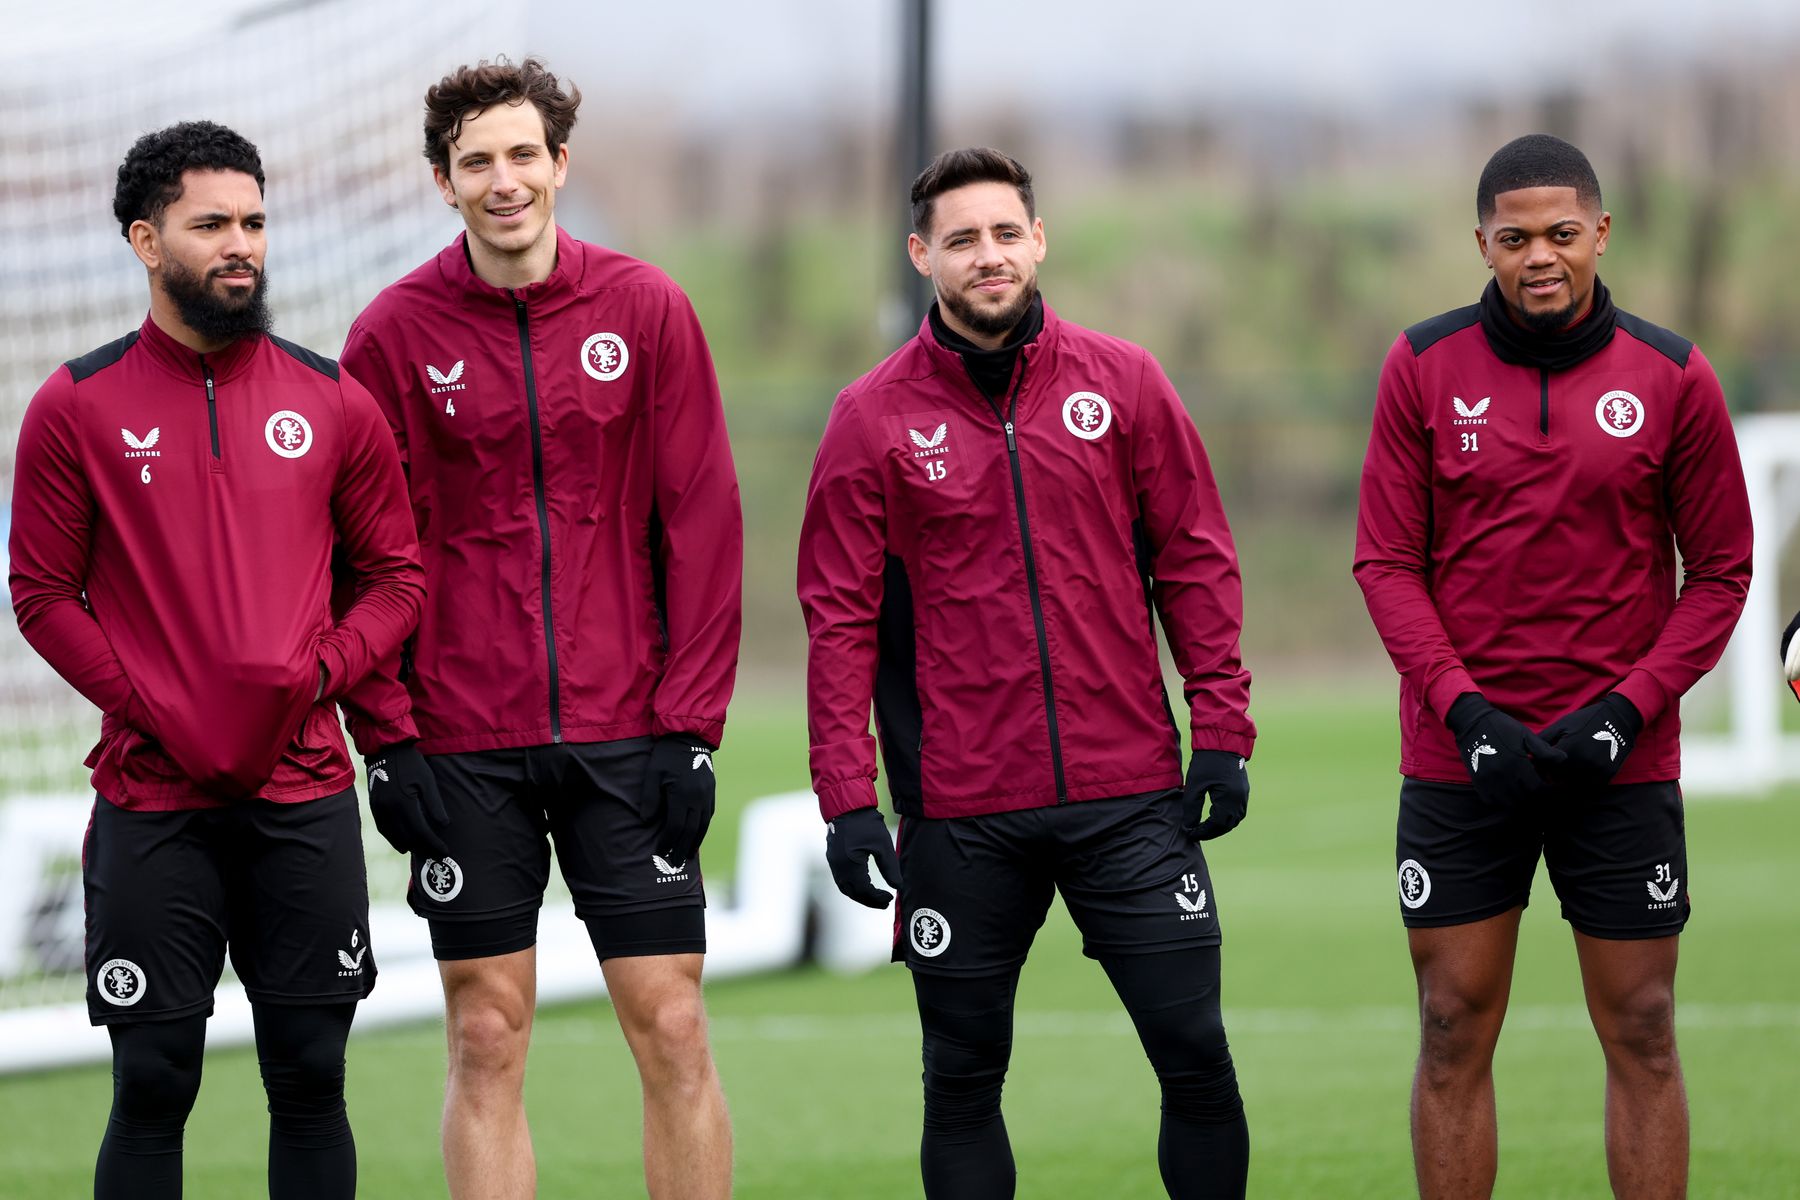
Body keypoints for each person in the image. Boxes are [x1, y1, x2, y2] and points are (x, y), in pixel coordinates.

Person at [797, 147, 1255, 1200]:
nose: (987, 256)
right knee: (960, 1081)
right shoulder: (869, 418)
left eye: (1005, 233)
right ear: (923, 256)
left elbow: (1196, 560)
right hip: (961, 812)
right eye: (961, 240)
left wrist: (1222, 729)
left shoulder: (1126, 382)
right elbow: (839, 621)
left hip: (1129, 793)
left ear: (1039, 239)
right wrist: (846, 801)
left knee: (1195, 1053)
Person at [338, 57, 740, 1199]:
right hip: (462, 741)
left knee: (671, 1023)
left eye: (523, 154)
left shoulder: (647, 309)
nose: (503, 179)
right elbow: (362, 553)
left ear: (561, 162)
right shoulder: (393, 336)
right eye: (478, 162)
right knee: (485, 1037)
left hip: (629, 733)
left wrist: (690, 724)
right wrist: (390, 738)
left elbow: (701, 522)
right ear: (442, 181)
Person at [8, 121, 426, 1199]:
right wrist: (150, 701)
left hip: (304, 790)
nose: (240, 245)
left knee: (311, 1074)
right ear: (147, 240)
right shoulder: (76, 406)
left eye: (252, 223)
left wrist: (318, 674)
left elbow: (398, 578)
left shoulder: (334, 400)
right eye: (210, 225)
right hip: (153, 796)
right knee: (153, 1078)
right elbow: (43, 594)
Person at [1353, 133, 1752, 1200]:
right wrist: (1465, 712)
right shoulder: (1421, 366)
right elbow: (1386, 563)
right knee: (1448, 1029)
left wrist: (1626, 710)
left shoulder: (1673, 375)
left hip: (1617, 763)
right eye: (1516, 236)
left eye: (1562, 234)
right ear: (1480, 241)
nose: (1541, 256)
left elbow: (1720, 574)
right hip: (1461, 762)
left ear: (1601, 234)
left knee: (1645, 1028)